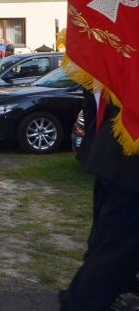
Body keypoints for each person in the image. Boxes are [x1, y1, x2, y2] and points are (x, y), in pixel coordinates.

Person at [59, 90, 139, 310]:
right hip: (127, 156)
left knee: (110, 242)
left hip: (114, 152)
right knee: (114, 250)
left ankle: (126, 288)